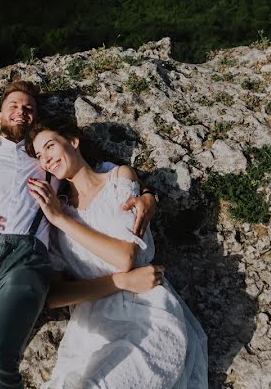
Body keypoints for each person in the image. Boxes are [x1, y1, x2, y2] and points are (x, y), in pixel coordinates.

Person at [0, 80, 158, 389]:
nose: (21, 112)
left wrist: (147, 194)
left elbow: (100, 174)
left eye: (28, 109)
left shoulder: (49, 160)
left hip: (27, 259)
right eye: (13, 106)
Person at [25, 118, 208, 389]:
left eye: (50, 147)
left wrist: (62, 221)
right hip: (92, 328)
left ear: (74, 142)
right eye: (39, 156)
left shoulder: (118, 179)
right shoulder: (55, 213)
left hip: (147, 311)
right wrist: (118, 282)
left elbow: (125, 258)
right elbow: (56, 296)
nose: (46, 160)